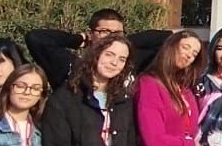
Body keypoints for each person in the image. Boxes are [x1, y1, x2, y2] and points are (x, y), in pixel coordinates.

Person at [25, 8, 166, 91]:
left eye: (117, 33)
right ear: (91, 34)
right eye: (104, 31)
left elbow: (167, 40)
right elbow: (36, 38)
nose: (110, 37)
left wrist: (122, 42)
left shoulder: (131, 62)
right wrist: (78, 40)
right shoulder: (70, 65)